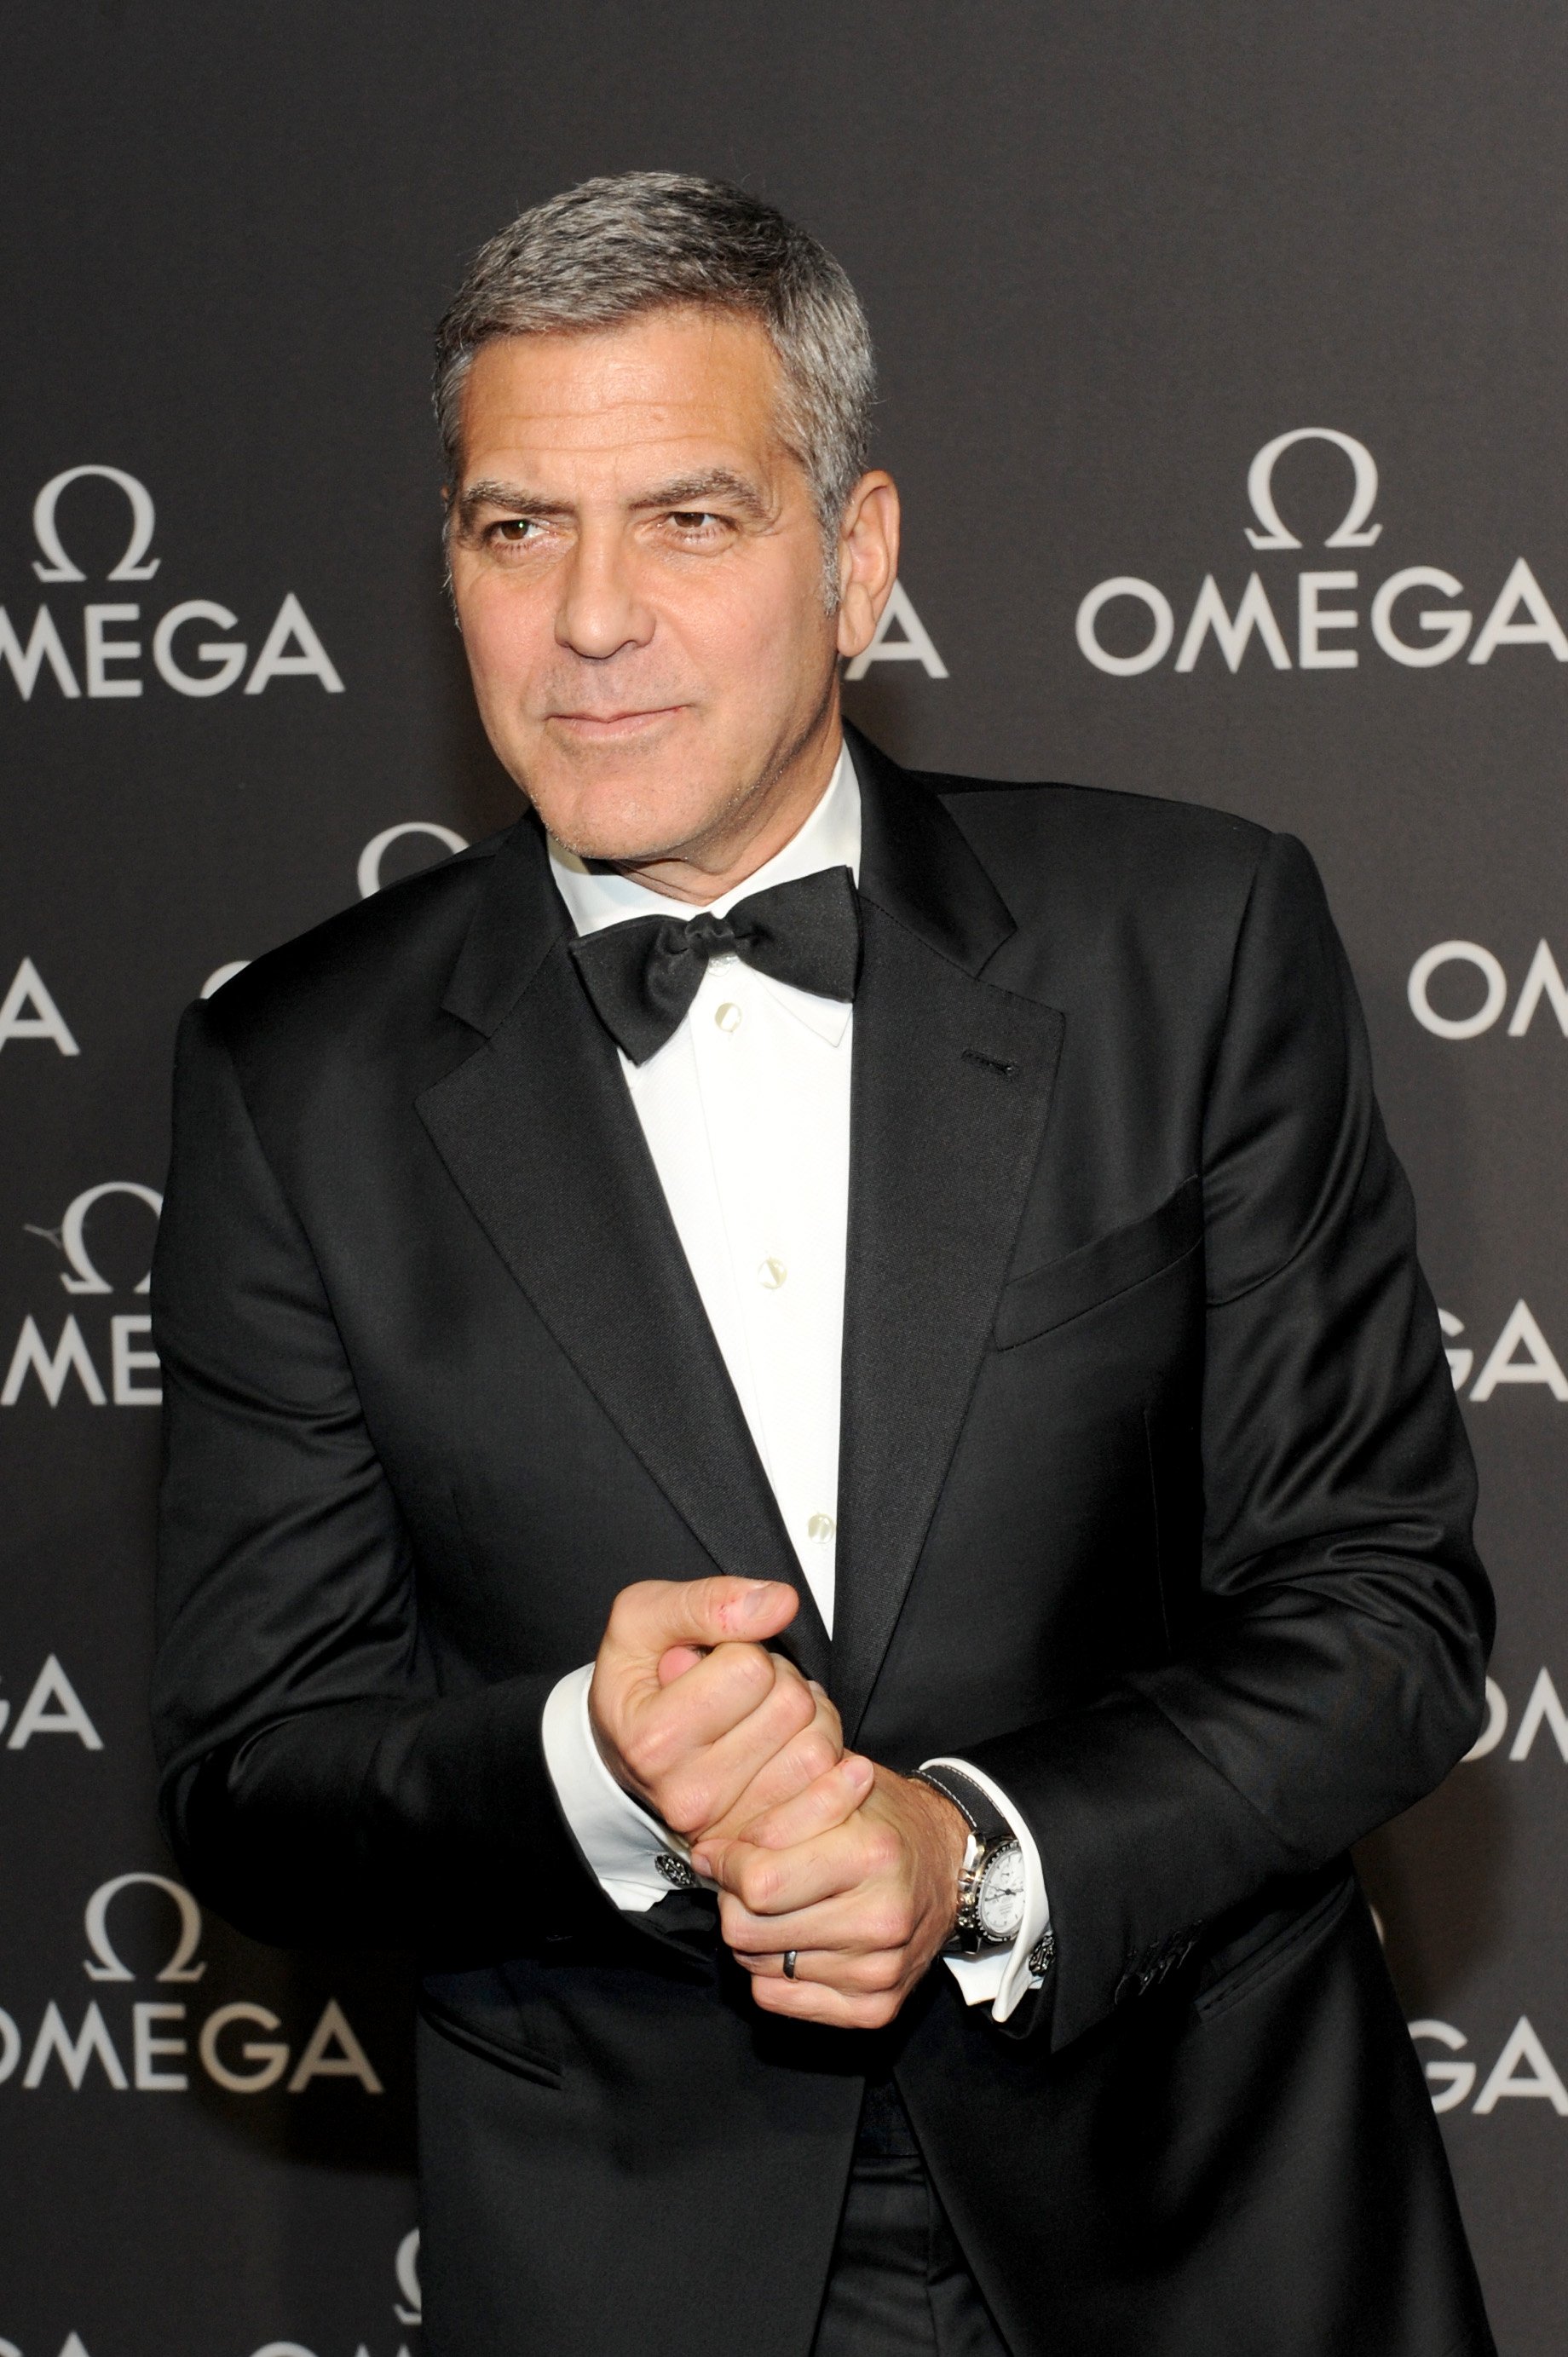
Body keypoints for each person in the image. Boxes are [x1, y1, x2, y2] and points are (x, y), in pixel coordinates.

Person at [150, 173, 1496, 2357]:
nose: (591, 620)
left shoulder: (1192, 940)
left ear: (855, 556)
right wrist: (593, 1758)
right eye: (516, 530)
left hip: (1200, 2217)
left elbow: (1381, 1615)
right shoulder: (289, 1074)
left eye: (685, 520)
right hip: (635, 2261)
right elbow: (257, 1781)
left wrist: (968, 1850)